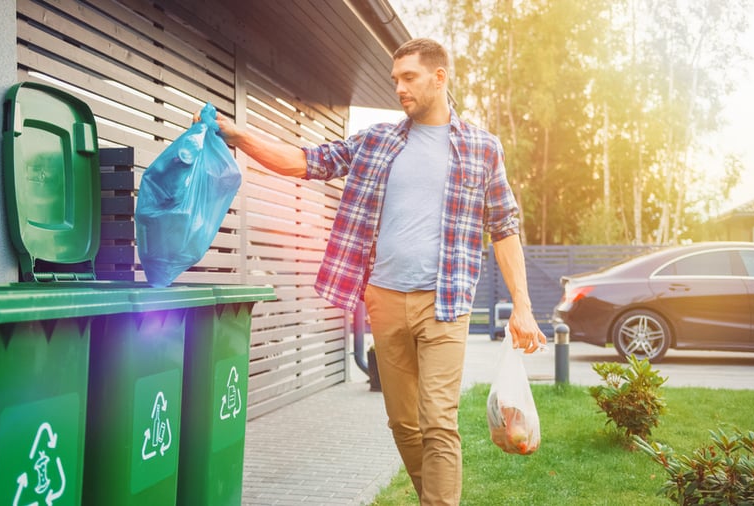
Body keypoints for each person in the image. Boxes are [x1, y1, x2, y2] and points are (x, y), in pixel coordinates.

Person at [199, 37, 546, 505]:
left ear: (439, 78)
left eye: (409, 78)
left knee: (438, 420)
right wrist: (240, 136)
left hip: (444, 304)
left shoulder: (483, 149)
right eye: (394, 80)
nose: (399, 88)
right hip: (384, 299)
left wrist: (522, 306)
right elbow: (307, 162)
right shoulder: (377, 141)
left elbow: (505, 228)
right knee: (403, 422)